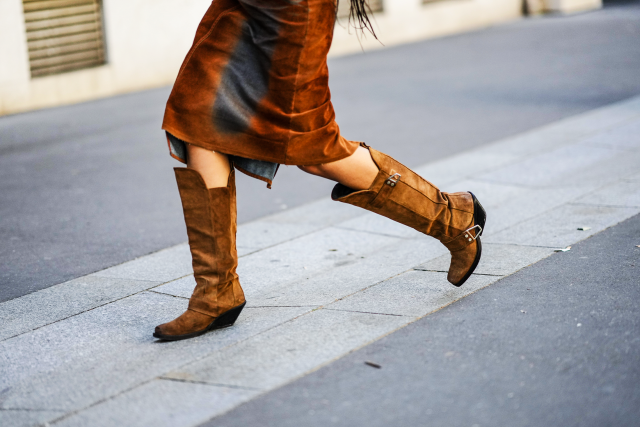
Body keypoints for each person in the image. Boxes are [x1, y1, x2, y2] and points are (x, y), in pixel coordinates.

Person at [153, 0, 486, 341]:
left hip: (292, 10)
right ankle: (216, 292)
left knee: (314, 148)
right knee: (198, 118)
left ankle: (452, 219)